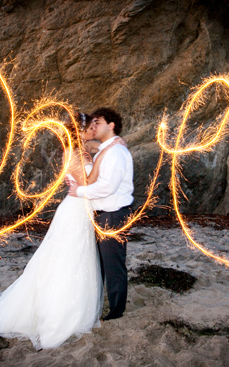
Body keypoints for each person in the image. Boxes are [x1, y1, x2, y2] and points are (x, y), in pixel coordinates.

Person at [0, 112, 121, 350]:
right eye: (90, 127)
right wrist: (103, 160)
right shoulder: (72, 154)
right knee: (69, 260)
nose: (95, 129)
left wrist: (106, 147)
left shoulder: (84, 149)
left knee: (80, 260)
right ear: (79, 131)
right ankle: (59, 313)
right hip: (75, 212)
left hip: (83, 211)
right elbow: (86, 185)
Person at [67, 107, 134, 321]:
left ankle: (116, 312)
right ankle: (96, 305)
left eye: (98, 122)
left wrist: (79, 191)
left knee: (113, 264)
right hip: (98, 214)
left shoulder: (115, 151)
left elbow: (107, 187)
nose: (93, 127)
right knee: (99, 264)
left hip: (112, 214)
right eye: (91, 124)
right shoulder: (105, 149)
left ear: (111, 125)